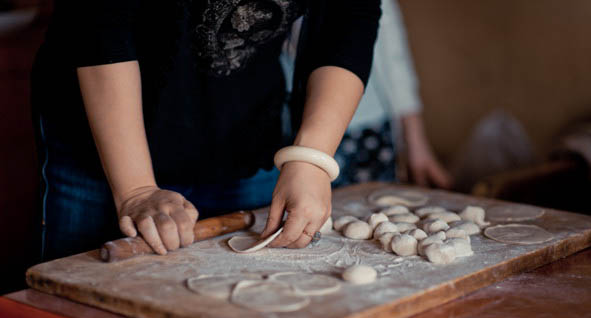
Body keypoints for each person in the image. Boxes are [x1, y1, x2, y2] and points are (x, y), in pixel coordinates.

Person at [31, 1, 381, 261]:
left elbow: (349, 18)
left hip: (243, 132)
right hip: (104, 138)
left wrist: (311, 159)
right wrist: (136, 190)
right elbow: (98, 20)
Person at [282, 0, 451, 189]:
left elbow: (395, 58)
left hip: (368, 128)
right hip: (296, 124)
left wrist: (416, 140)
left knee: (369, 208)